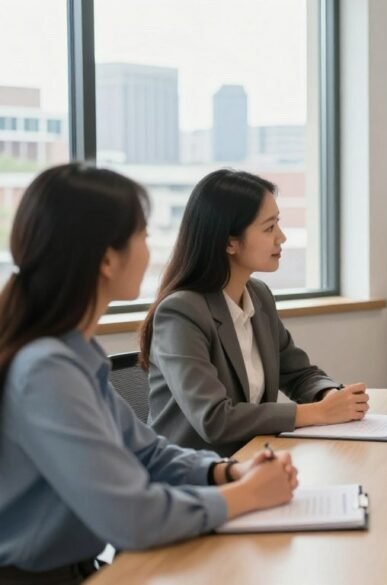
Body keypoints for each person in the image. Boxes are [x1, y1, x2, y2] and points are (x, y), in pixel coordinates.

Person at [0, 164, 298, 583]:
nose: (150, 247)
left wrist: (227, 472)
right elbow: (132, 516)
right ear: (107, 259)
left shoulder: (75, 352)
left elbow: (148, 452)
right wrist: (244, 495)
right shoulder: (47, 371)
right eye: (141, 235)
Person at [140, 170, 368, 456]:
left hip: (253, 459)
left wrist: (329, 395)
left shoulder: (258, 296)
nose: (281, 237)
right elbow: (214, 419)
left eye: (278, 224)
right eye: (269, 227)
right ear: (229, 242)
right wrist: (318, 413)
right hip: (194, 478)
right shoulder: (181, 313)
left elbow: (298, 373)